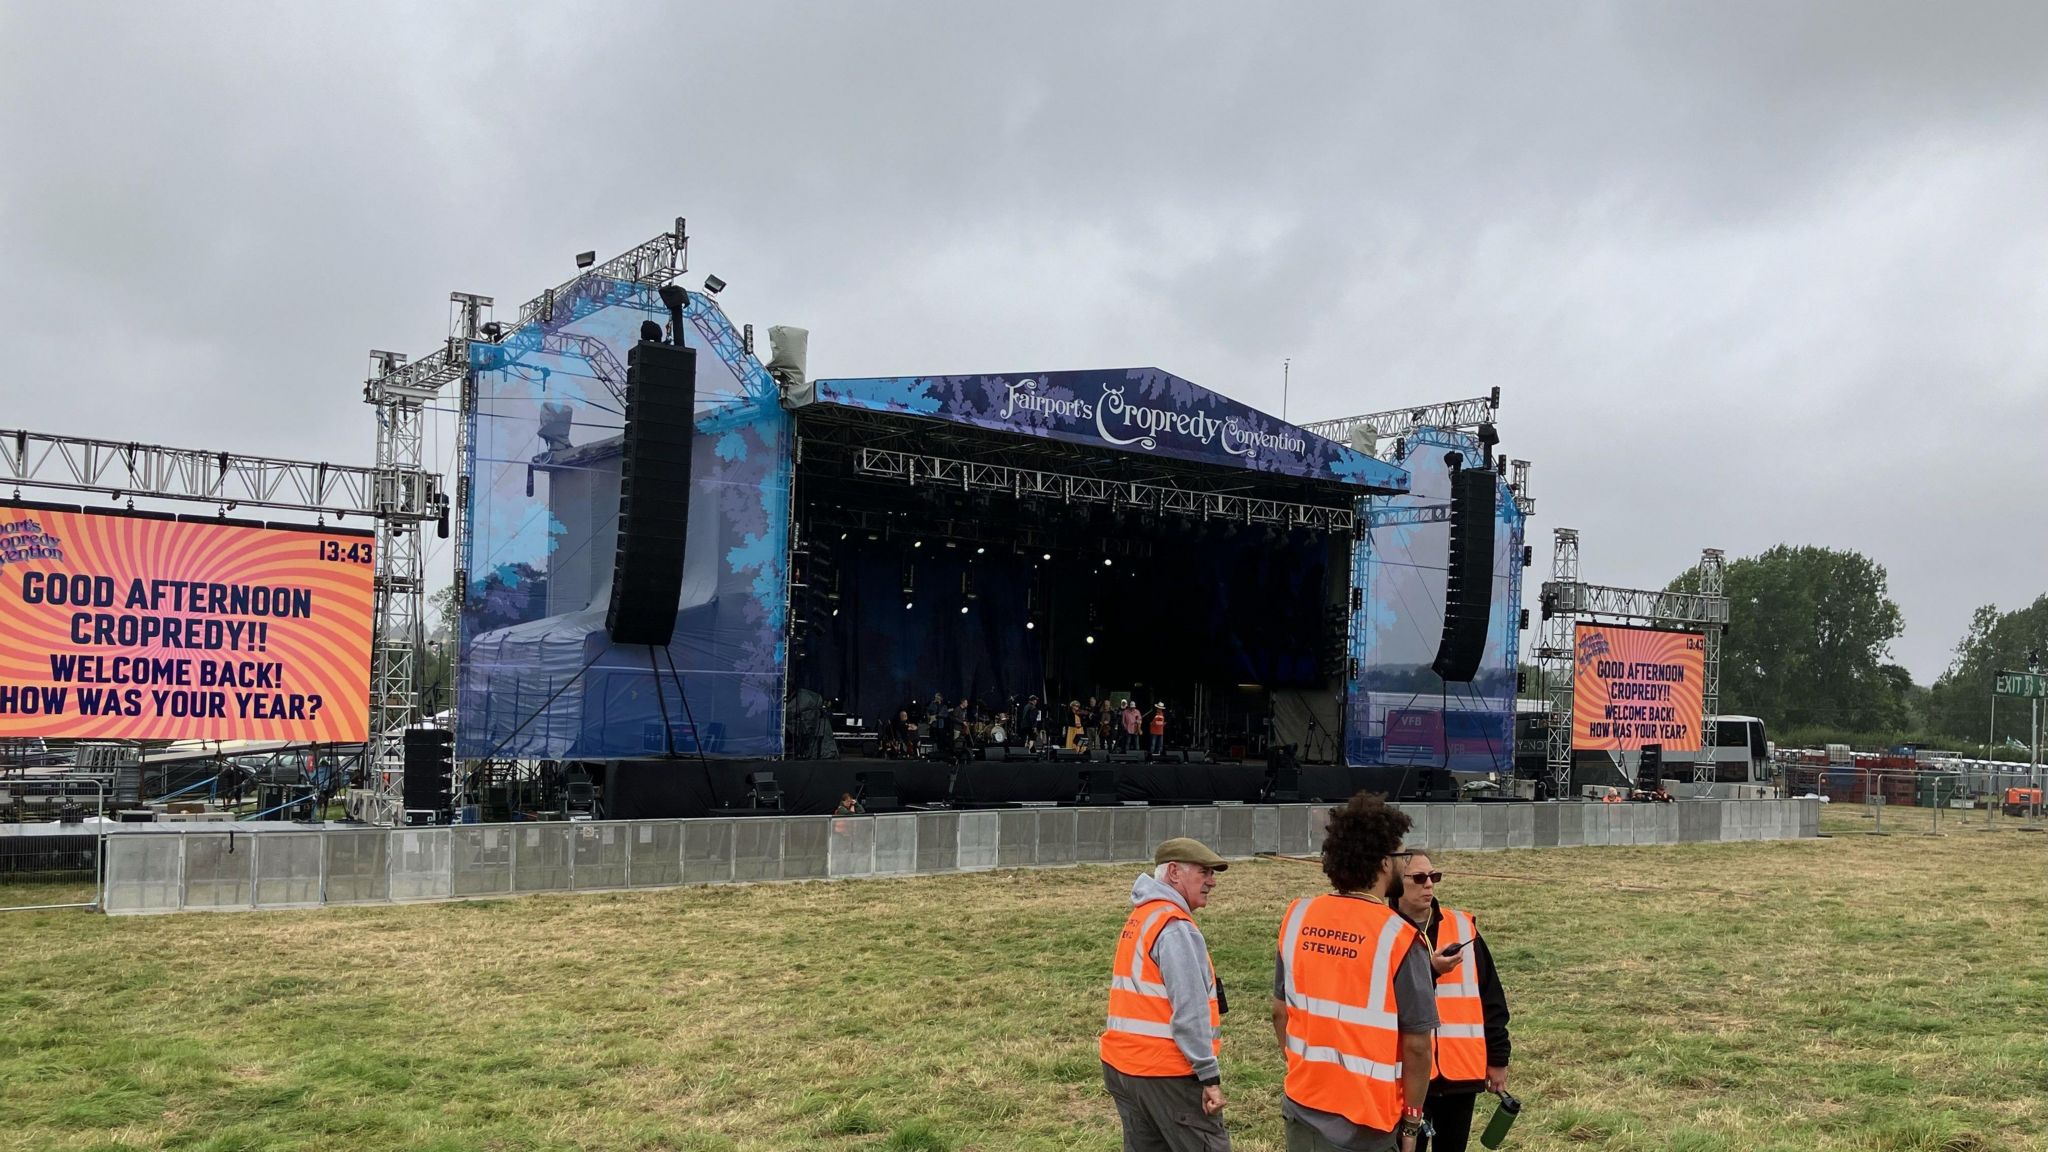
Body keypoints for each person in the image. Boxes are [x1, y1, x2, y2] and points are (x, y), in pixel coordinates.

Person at [1271, 792, 1438, 1151]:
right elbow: (1418, 1047)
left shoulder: (1297, 917)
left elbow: (1279, 1011)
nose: (1404, 866)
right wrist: (1411, 1124)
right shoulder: (1401, 938)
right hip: (1366, 1125)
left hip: (1303, 1108)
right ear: (1382, 864)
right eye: (1400, 857)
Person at [1101, 837, 1233, 1151]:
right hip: (1166, 1073)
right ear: (1174, 872)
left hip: (1124, 1067)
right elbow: (1189, 1011)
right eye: (1204, 872)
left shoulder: (1143, 916)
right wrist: (1208, 1076)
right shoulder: (1175, 926)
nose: (1212, 882)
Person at [1390, 854, 1512, 1152]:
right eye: (1419, 878)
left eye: (1434, 876)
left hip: (1460, 1072)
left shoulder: (1462, 927)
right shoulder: (1385, 930)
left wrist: (1498, 1059)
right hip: (1406, 1073)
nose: (1429, 885)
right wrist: (1429, 971)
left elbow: (1491, 997)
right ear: (1396, 884)